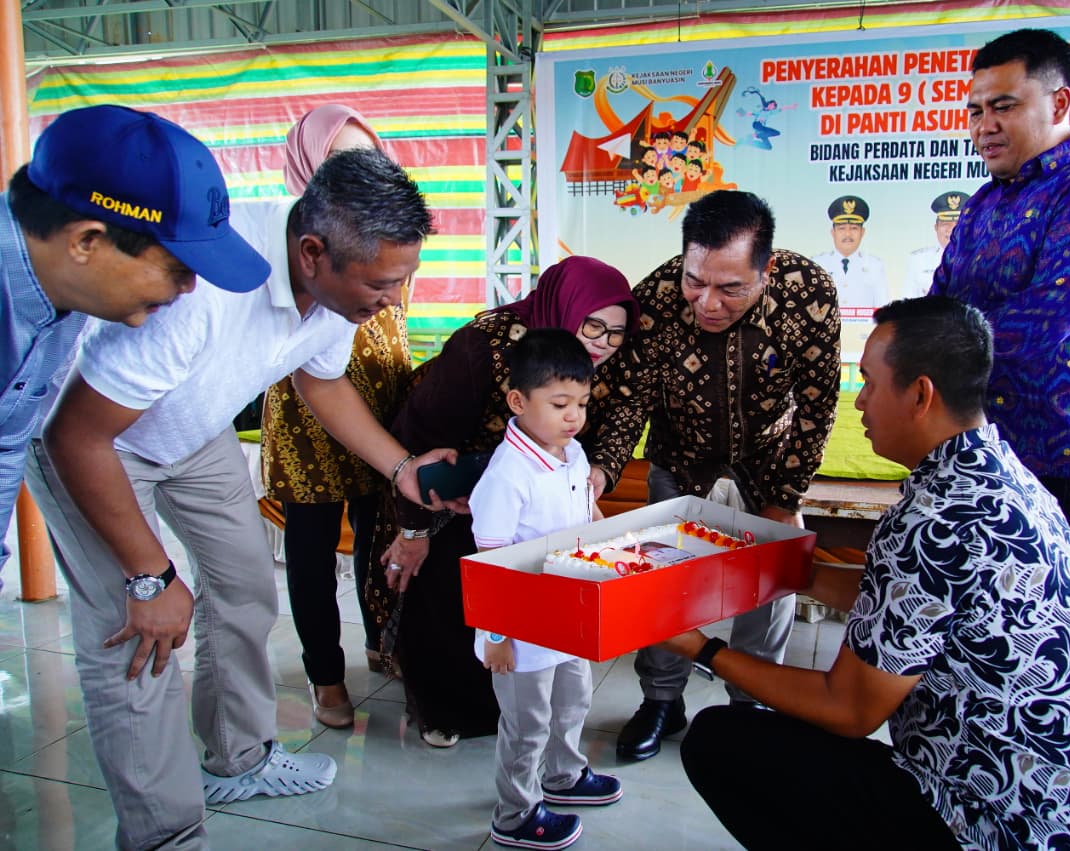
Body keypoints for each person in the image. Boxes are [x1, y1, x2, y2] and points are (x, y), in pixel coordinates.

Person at [25, 147, 440, 851]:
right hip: (97, 441)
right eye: (385, 283)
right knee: (137, 632)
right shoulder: (198, 296)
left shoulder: (342, 287)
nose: (394, 301)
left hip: (192, 425)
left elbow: (323, 382)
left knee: (246, 587)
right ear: (313, 253)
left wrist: (400, 466)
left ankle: (238, 758)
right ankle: (166, 832)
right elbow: (78, 436)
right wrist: (150, 574)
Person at [670, 296, 1070, 849]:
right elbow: (904, 598)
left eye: (870, 383)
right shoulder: (1000, 475)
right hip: (1060, 815)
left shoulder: (936, 519)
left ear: (921, 394)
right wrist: (787, 572)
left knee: (720, 741)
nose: (860, 403)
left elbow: (849, 708)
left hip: (978, 822)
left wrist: (700, 649)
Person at [587, 189, 841, 761]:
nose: (707, 302)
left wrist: (786, 495)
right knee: (667, 587)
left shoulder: (810, 295)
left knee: (767, 592)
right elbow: (632, 399)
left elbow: (818, 404)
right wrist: (603, 469)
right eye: (696, 281)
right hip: (680, 461)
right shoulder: (653, 297)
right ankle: (660, 700)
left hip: (769, 466)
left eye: (731, 288)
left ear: (767, 268)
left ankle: (749, 704)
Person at [371, 255, 639, 748]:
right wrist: (412, 531)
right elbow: (420, 435)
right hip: (450, 482)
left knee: (536, 605)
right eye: (593, 324)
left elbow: (622, 420)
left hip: (545, 489)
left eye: (616, 332)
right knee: (458, 587)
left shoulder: (610, 362)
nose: (602, 341)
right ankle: (447, 712)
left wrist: (592, 478)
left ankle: (519, 714)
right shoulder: (486, 347)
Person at [0, 104, 265, 588]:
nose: (189, 290)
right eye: (178, 269)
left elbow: (6, 442)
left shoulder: (61, 298)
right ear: (86, 242)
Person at [930, 27, 1070, 554]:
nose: (985, 127)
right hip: (963, 444)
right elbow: (940, 301)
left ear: (1061, 102)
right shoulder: (985, 200)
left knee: (1030, 623)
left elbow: (1037, 324)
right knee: (954, 608)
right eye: (975, 111)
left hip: (1047, 455)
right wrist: (906, 338)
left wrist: (919, 354)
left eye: (1003, 106)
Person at [260, 104, 414, 729]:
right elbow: (314, 374)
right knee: (312, 552)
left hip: (379, 404)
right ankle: (326, 675)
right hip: (308, 411)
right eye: (338, 160)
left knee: (381, 537)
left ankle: (383, 640)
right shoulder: (297, 252)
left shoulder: (397, 239)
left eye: (367, 159)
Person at [470, 328, 623, 850]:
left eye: (581, 402)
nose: (574, 415)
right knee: (527, 722)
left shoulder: (572, 453)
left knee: (573, 701)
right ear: (519, 400)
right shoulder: (507, 475)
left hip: (569, 615)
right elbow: (489, 565)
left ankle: (563, 776)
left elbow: (583, 513)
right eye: (560, 403)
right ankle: (515, 812)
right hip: (519, 630)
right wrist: (495, 636)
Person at [811, 195, 888, 315]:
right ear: (833, 232)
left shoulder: (875, 265)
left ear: (862, 232)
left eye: (854, 228)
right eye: (842, 228)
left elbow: (882, 309)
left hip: (864, 333)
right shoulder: (817, 264)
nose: (848, 234)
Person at [903, 190, 970, 298]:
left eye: (957, 224)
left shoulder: (982, 260)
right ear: (936, 227)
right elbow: (908, 305)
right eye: (945, 223)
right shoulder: (918, 261)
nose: (951, 230)